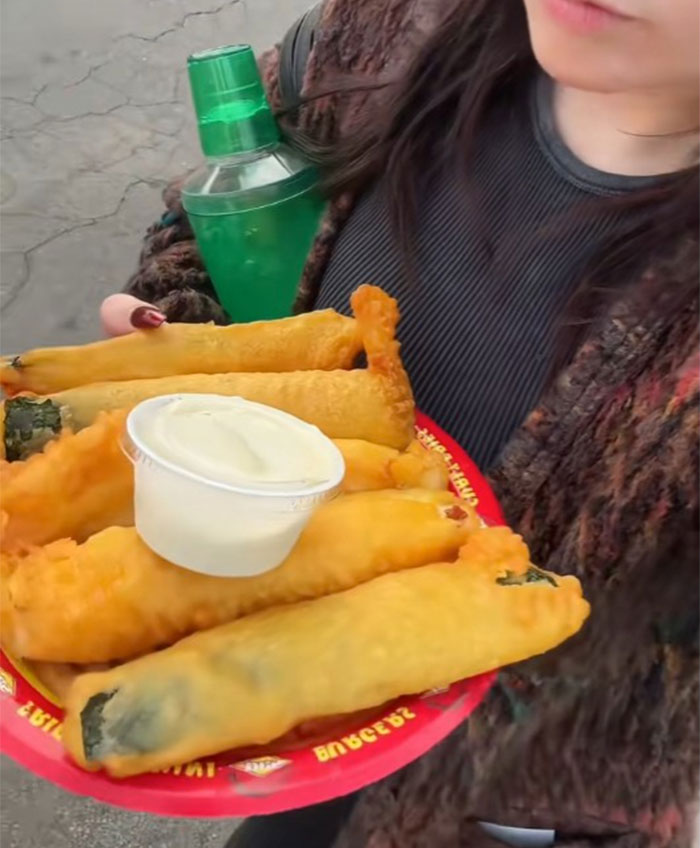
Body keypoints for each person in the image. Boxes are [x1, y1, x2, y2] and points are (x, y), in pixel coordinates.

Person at [101, 0, 699, 845]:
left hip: (505, 801)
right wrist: (179, 320)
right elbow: (212, 212)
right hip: (266, 696)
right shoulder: (379, 35)